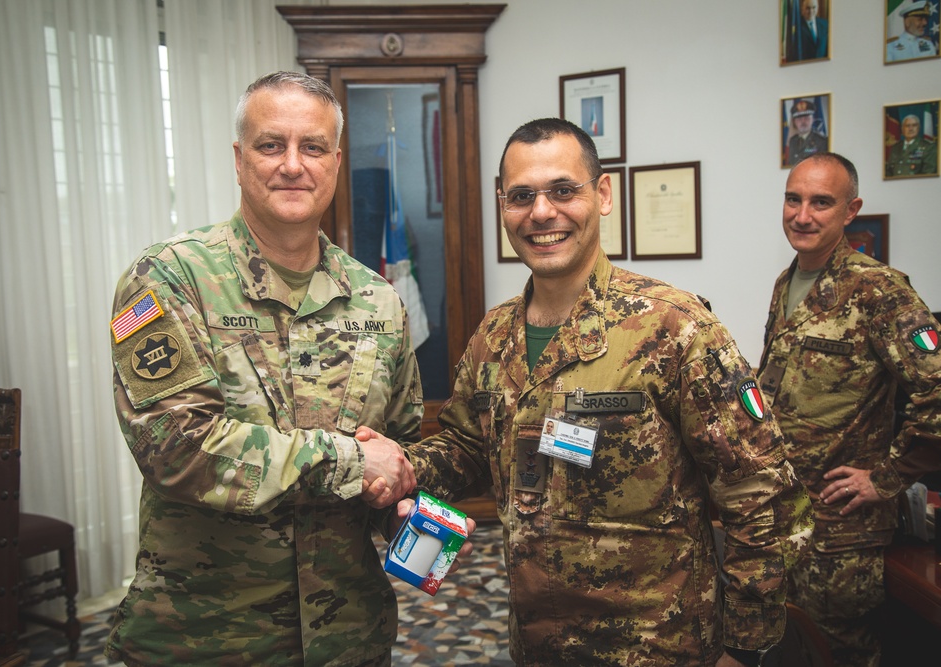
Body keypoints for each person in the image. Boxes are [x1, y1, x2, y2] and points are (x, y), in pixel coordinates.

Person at [364, 117, 814, 666]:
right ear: (503, 207)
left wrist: (744, 649)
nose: (542, 212)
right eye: (521, 196)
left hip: (661, 649)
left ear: (602, 194)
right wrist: (396, 467)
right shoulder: (493, 337)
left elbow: (762, 493)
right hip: (537, 645)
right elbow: (465, 448)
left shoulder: (673, 328)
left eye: (563, 190)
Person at [105, 71, 426, 666]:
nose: (292, 165)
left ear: (334, 159)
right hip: (208, 637)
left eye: (312, 147)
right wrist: (356, 463)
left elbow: (398, 440)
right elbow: (178, 448)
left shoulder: (378, 300)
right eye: (271, 145)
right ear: (239, 157)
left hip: (348, 635)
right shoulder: (167, 279)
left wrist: (397, 492)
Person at [758, 152, 941, 666]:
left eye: (821, 202)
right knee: (791, 648)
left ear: (850, 210)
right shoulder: (788, 281)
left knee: (840, 654)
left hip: (843, 532)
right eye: (794, 199)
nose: (803, 215)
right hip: (787, 514)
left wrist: (885, 477)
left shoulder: (880, 291)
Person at [885, 113, 938, 177]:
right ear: (902, 129)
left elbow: (928, 173)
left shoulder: (929, 147)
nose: (910, 129)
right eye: (907, 126)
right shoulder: (895, 147)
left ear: (919, 128)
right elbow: (888, 172)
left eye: (914, 125)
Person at [786, 98, 828, 166]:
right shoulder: (792, 141)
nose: (803, 122)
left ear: (813, 119)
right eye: (799, 119)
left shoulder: (822, 141)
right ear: (794, 122)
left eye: (806, 118)